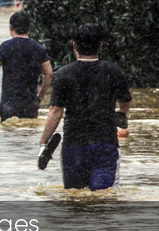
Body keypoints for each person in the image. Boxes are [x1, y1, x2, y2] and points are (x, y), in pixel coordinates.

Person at [39, 23, 132, 191]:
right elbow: (125, 102)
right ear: (100, 45)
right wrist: (121, 114)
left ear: (74, 45)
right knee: (103, 197)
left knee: (75, 198)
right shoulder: (113, 71)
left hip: (74, 146)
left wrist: (43, 142)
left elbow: (55, 111)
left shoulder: (64, 74)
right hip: (106, 144)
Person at [0, 11, 53, 121]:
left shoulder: (7, 47)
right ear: (28, 28)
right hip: (30, 103)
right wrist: (41, 95)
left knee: (9, 132)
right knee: (28, 132)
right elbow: (49, 74)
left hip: (9, 103)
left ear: (11, 27)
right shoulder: (38, 48)